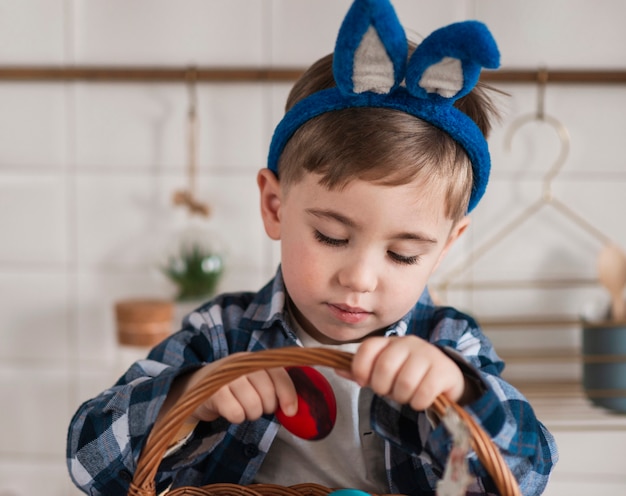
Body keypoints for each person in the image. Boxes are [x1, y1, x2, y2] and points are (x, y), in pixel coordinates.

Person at [67, 1, 558, 495]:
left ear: (448, 245)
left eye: (403, 255)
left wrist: (459, 396)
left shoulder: (451, 344)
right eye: (331, 237)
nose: (359, 278)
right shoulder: (222, 336)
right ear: (275, 206)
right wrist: (192, 399)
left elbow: (527, 476)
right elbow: (89, 462)